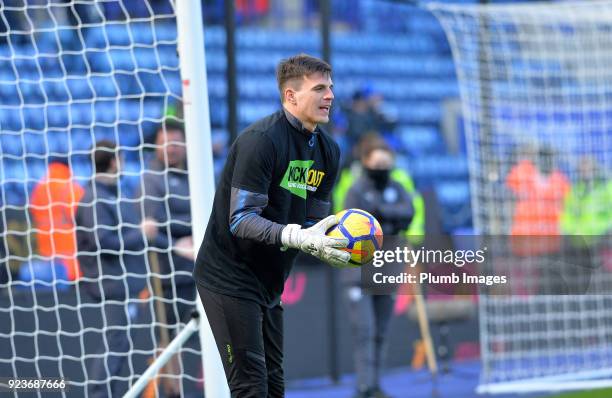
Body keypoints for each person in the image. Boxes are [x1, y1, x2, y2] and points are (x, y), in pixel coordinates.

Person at [193, 53, 350, 397]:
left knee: (275, 382)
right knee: (250, 386)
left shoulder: (328, 151)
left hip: (269, 281)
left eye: (332, 88)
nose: (330, 96)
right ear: (291, 96)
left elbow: (315, 222)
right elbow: (241, 220)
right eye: (320, 88)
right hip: (228, 277)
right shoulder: (261, 140)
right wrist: (296, 235)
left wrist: (339, 244)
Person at [75, 140, 158, 398]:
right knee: (114, 343)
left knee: (120, 344)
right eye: (121, 158)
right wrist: (140, 235)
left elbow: (138, 230)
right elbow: (103, 242)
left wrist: (175, 246)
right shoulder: (93, 199)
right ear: (114, 162)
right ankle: (99, 393)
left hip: (126, 284)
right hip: (109, 285)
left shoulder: (115, 194)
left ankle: (107, 391)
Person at [341, 139, 414, 398]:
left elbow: (409, 213)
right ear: (366, 163)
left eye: (387, 163)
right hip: (359, 274)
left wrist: (381, 213)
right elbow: (354, 221)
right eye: (378, 163)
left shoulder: (397, 187)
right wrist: (390, 217)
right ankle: (364, 386)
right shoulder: (356, 189)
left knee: (382, 332)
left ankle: (376, 385)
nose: (383, 168)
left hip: (388, 271)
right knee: (365, 330)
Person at [140, 118, 195, 395]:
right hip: (167, 273)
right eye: (166, 143)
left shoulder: (194, 175)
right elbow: (152, 225)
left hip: (199, 270)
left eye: (177, 142)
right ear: (157, 146)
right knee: (170, 339)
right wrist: (178, 243)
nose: (172, 148)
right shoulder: (151, 179)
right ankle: (172, 391)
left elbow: (209, 212)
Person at [30, 156, 84, 281]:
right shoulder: (72, 188)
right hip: (70, 253)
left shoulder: (39, 188)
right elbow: (84, 215)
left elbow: (33, 212)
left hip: (46, 249)